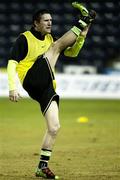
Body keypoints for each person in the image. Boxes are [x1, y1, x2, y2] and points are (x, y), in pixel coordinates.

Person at [7, 2, 96, 179]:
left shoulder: (49, 39)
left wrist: (82, 37)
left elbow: (71, 53)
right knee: (55, 47)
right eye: (45, 20)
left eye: (51, 20)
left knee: (54, 127)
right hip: (31, 79)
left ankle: (42, 166)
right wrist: (12, 87)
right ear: (36, 23)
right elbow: (11, 64)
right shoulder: (23, 39)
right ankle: (84, 19)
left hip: (46, 86)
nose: (49, 23)